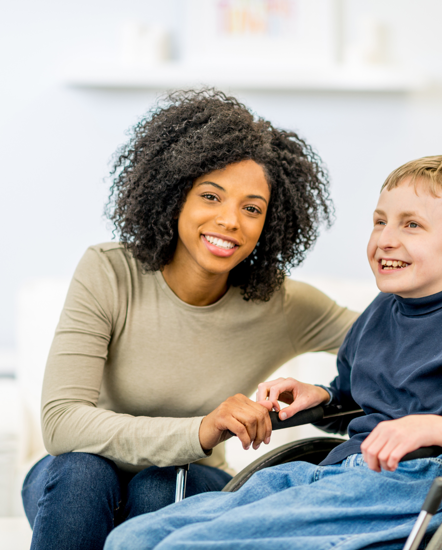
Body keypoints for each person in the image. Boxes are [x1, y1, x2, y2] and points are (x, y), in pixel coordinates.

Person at [104, 155, 442, 550]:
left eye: (411, 224)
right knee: (131, 538)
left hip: (427, 481)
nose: (386, 239)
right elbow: (357, 399)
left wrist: (440, 429)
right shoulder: (380, 312)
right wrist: (322, 398)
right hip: (345, 472)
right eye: (380, 221)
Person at [21, 89, 361, 550]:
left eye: (252, 208)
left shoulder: (285, 304)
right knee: (82, 470)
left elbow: (401, 338)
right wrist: (197, 429)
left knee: (159, 484)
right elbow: (62, 423)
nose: (230, 221)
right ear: (175, 194)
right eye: (211, 196)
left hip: (189, 481)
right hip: (75, 484)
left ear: (270, 223)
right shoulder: (109, 271)